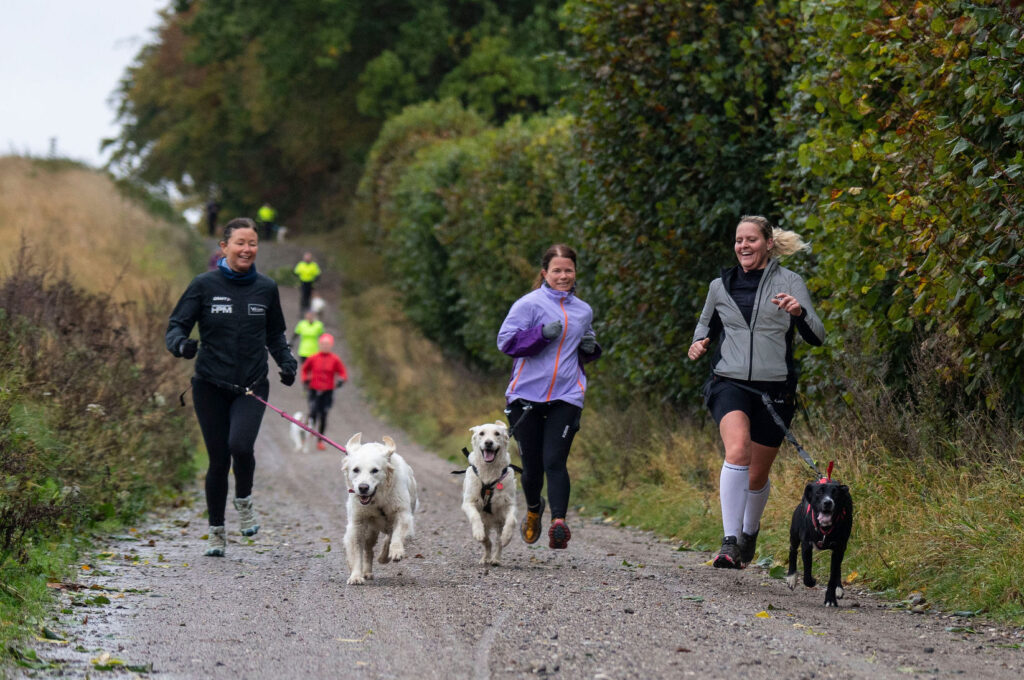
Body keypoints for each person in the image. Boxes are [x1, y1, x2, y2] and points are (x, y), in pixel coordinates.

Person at [688, 215, 825, 569]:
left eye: (750, 240)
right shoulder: (720, 285)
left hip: (775, 389)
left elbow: (818, 335)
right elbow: (706, 325)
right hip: (728, 382)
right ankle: (729, 541)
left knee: (757, 475)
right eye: (738, 240)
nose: (743, 246)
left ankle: (749, 533)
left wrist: (798, 312)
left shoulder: (791, 281)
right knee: (737, 450)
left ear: (767, 243)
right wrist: (697, 344)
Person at [165, 217, 297, 557]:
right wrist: (181, 345)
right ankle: (216, 531)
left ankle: (244, 499)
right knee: (218, 458)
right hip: (209, 385)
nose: (247, 249)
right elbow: (176, 326)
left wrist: (286, 361)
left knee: (240, 445)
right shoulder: (203, 285)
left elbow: (275, 334)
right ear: (224, 247)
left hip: (251, 385)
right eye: (240, 242)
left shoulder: (266, 288)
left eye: (252, 243)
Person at [496, 244, 602, 550]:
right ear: (545, 273)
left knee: (555, 460)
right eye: (557, 270)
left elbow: (583, 351)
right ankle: (533, 510)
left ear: (575, 272)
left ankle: (559, 523)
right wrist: (541, 334)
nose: (563, 275)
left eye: (568, 270)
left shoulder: (583, 310)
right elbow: (506, 343)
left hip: (567, 395)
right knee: (532, 467)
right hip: (525, 396)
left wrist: (590, 348)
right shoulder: (528, 305)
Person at [300, 333, 348, 451]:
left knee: (324, 415)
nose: (325, 346)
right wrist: (305, 380)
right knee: (313, 414)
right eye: (323, 344)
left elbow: (343, 372)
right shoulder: (313, 357)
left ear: (331, 345)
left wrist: (341, 380)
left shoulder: (335, 359)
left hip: (328, 391)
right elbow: (304, 369)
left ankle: (320, 441)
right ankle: (306, 436)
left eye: (327, 344)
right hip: (314, 389)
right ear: (319, 344)